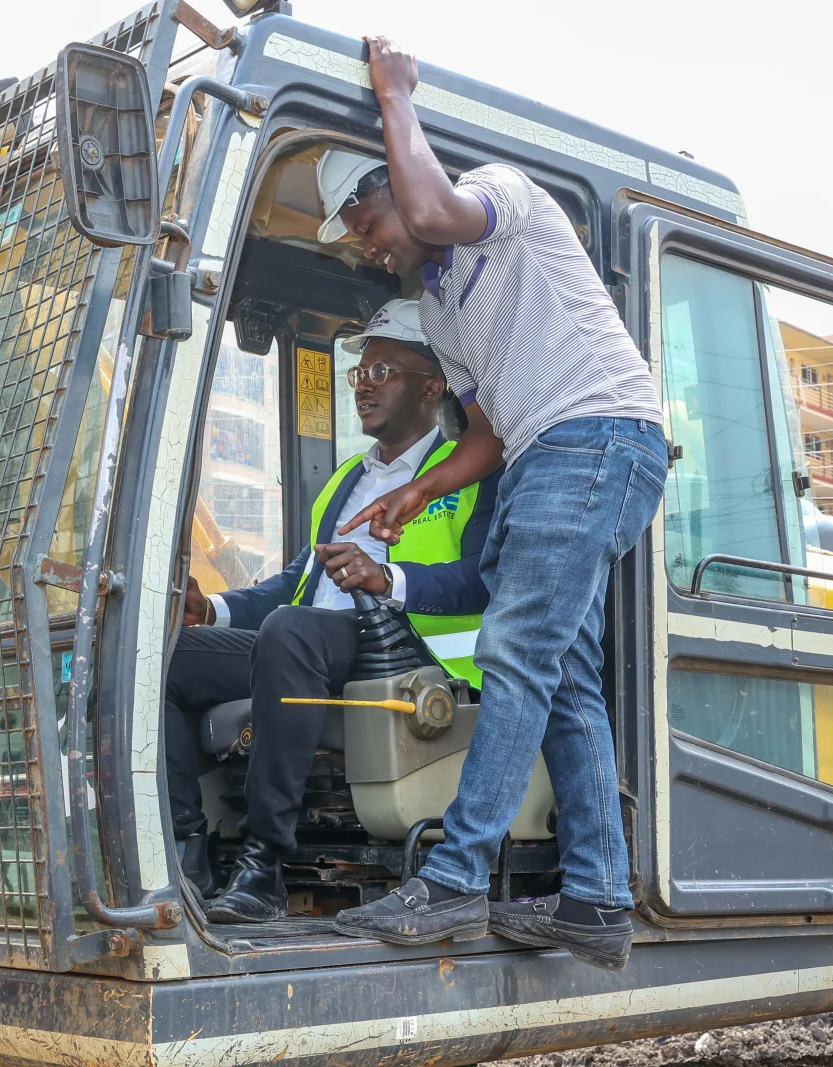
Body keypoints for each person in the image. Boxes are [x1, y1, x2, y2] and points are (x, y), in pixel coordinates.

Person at [323, 40, 668, 971]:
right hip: (541, 454)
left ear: (408, 175)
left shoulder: (502, 199)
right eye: (357, 235)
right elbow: (483, 431)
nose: (371, 242)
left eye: (368, 218)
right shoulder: (440, 311)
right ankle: (596, 899)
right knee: (563, 676)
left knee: (515, 652)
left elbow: (432, 207)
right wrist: (419, 491)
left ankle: (454, 880)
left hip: (596, 436)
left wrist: (396, 94)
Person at [166, 298, 500, 923]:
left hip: (407, 652)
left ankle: (263, 865)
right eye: (359, 375)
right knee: (164, 658)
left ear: (433, 386)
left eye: (384, 372)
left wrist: (389, 578)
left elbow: (483, 582)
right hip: (312, 647)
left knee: (293, 632)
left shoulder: (469, 475)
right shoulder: (346, 477)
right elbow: (300, 583)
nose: (364, 387)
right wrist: (208, 609)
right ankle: (187, 850)